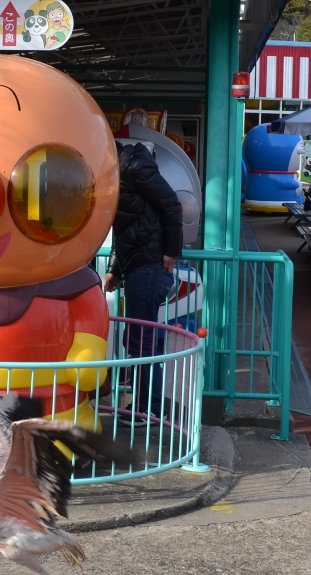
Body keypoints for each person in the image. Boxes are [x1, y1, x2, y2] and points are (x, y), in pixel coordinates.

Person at [102, 140, 183, 425]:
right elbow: (123, 227)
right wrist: (115, 268)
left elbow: (172, 204)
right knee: (138, 339)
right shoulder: (120, 168)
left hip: (149, 265)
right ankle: (147, 405)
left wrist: (171, 251)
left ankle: (149, 408)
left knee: (143, 340)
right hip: (139, 264)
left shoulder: (133, 166)